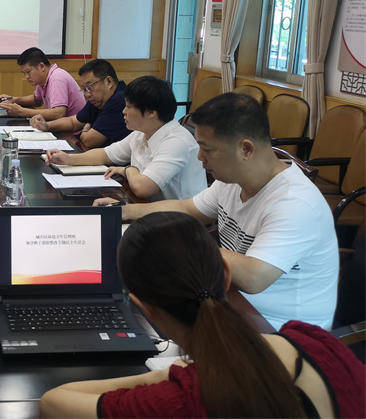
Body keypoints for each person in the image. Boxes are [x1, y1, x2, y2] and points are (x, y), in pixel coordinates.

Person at [40, 212, 365, 418]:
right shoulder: (316, 341)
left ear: (143, 307)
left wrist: (173, 375)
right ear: (226, 274)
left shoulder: (182, 401)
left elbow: (53, 401)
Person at [94, 93, 338, 330]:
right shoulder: (232, 180)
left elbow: (254, 277)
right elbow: (187, 208)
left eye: (207, 149)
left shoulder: (295, 203)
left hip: (280, 330)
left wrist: (176, 243)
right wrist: (125, 211)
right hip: (230, 302)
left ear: (246, 149)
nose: (200, 157)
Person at [46, 76, 205, 201]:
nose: (123, 111)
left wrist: (128, 169)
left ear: (151, 113)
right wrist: (68, 159)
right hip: (150, 208)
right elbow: (106, 154)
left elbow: (143, 188)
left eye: (128, 107)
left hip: (180, 222)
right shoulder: (143, 132)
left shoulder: (176, 142)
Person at [30, 59, 130, 149]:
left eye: (90, 87)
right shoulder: (98, 99)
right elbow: (73, 122)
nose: (87, 94)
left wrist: (84, 132)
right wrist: (47, 125)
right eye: (84, 89)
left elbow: (89, 141)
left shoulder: (120, 99)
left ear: (109, 82)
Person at [0, 47, 83, 120]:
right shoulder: (44, 79)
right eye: (24, 73)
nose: (26, 77)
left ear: (41, 66)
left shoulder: (57, 78)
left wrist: (21, 111)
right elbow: (37, 101)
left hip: (74, 132)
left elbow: (59, 113)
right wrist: (13, 99)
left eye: (28, 72)